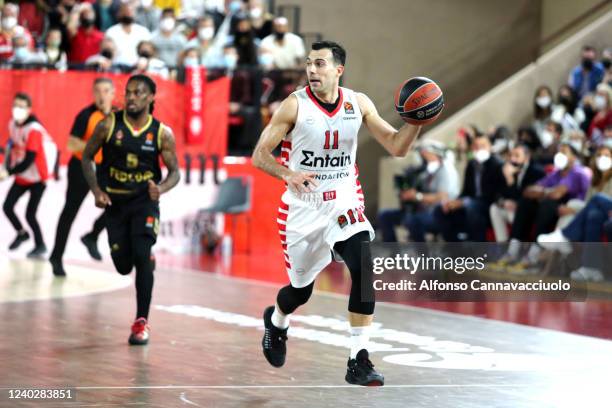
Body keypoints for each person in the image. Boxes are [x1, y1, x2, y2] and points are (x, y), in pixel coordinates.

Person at [252, 41, 425, 386]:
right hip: (303, 207)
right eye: (309, 64)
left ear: (338, 71)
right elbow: (260, 155)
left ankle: (357, 360)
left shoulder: (357, 103)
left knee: (363, 264)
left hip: (344, 200)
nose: (311, 70)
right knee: (299, 291)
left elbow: (397, 146)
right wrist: (289, 174)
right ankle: (278, 320)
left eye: (319, 64)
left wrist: (417, 121)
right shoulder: (293, 106)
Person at [81, 75, 180, 345]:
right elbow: (86, 157)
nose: (132, 97)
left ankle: (141, 322)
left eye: (138, 93)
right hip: (116, 204)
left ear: (150, 98)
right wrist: (97, 191)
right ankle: (143, 260)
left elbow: (175, 173)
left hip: (144, 203)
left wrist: (161, 188)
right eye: (129, 92)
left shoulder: (161, 132)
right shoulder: (108, 125)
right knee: (124, 266)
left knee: (141, 252)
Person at [49, 78, 116, 277]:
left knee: (117, 205)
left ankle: (92, 236)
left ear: (113, 93)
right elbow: (71, 143)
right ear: (93, 94)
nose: (102, 95)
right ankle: (56, 256)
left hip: (105, 168)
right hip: (81, 166)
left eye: (106, 91)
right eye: (97, 91)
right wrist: (95, 146)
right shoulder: (86, 115)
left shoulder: (119, 115)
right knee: (70, 211)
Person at [2, 93, 57, 257]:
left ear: (28, 109)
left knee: (30, 214)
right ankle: (22, 233)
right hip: (23, 175)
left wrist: (8, 172)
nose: (17, 109)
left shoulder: (34, 130)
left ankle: (40, 245)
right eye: (15, 105)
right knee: (7, 207)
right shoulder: (12, 124)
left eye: (21, 106)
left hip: (37, 178)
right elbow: (13, 147)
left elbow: (29, 159)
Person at [378, 140, 459, 242]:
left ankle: (422, 255)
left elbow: (442, 197)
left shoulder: (446, 171)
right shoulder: (424, 173)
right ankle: (393, 254)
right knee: (385, 215)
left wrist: (417, 196)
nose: (423, 158)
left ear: (436, 154)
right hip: (418, 211)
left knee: (413, 220)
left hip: (438, 214)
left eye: (426, 155)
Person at [433, 135, 504, 242]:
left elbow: (493, 194)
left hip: (488, 204)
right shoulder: (471, 165)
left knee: (471, 207)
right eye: (476, 146)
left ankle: (479, 250)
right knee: (441, 209)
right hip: (471, 203)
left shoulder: (497, 164)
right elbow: (466, 191)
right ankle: (455, 249)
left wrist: (464, 202)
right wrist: (454, 202)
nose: (479, 149)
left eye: (482, 146)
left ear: (490, 147)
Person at [489, 144, 545, 242]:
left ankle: (515, 247)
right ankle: (502, 244)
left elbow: (524, 197)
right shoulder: (507, 169)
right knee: (494, 208)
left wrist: (510, 179)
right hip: (511, 208)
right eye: (511, 155)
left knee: (519, 210)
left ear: (527, 157)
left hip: (527, 211)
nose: (513, 159)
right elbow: (497, 192)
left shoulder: (536, 171)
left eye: (517, 156)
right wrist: (503, 202)